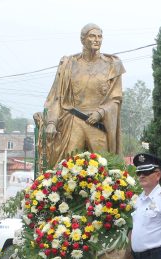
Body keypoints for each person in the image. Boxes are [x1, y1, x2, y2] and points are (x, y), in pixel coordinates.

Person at [42, 23, 125, 167]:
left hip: (98, 124)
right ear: (83, 39)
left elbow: (115, 99)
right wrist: (51, 123)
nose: (96, 40)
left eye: (99, 37)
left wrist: (100, 112)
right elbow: (57, 96)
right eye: (92, 36)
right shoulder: (68, 64)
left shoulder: (112, 65)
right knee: (67, 166)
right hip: (73, 121)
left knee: (104, 167)